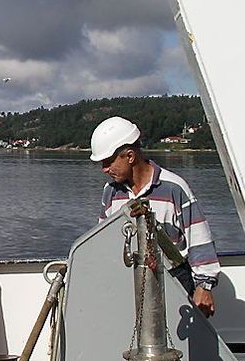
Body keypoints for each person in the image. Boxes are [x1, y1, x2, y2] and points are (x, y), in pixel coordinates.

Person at [90, 116, 221, 317]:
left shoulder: (173, 188)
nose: (104, 169)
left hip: (173, 280)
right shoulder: (110, 192)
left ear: (130, 156)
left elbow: (198, 237)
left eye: (108, 162)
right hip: (129, 281)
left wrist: (204, 286)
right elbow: (103, 240)